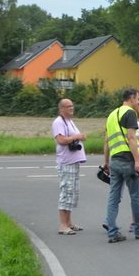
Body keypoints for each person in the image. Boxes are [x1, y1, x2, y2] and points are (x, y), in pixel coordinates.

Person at [103, 88, 139, 243]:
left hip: (115, 160)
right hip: (128, 160)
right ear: (131, 98)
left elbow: (106, 141)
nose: (138, 102)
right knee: (135, 196)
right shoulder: (130, 113)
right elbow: (132, 138)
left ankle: (112, 232)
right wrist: (138, 161)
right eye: (137, 99)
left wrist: (106, 162)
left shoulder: (112, 116)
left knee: (113, 197)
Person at [52, 98, 87, 234]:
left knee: (72, 193)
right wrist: (76, 136)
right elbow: (61, 140)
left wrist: (78, 137)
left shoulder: (69, 121)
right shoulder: (58, 122)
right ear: (61, 109)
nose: (71, 108)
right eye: (68, 106)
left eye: (72, 105)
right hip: (66, 163)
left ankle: (69, 222)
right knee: (66, 192)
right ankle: (62, 225)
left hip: (73, 162)